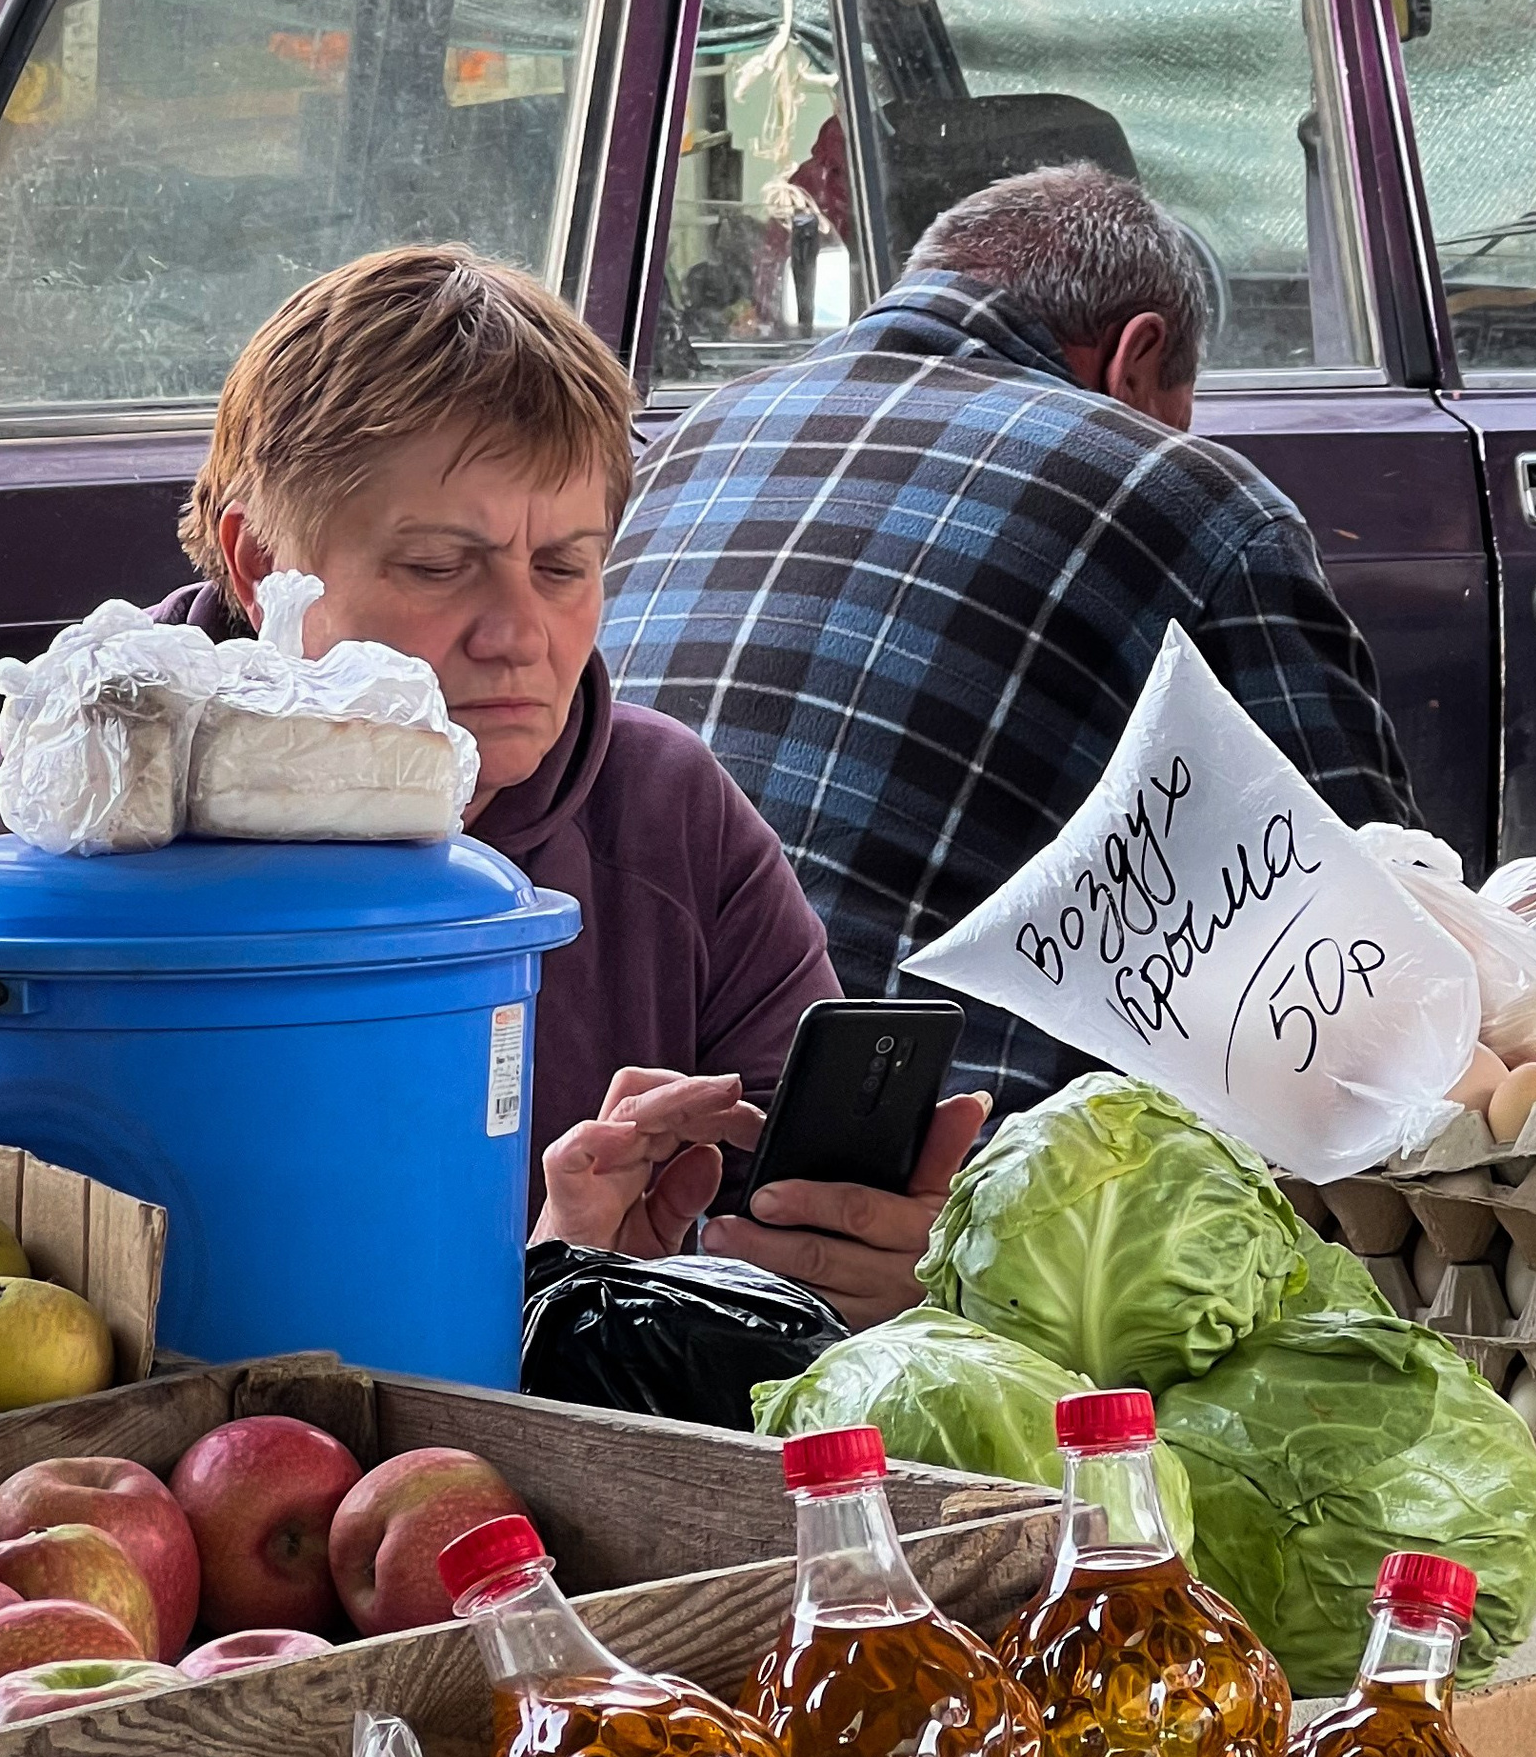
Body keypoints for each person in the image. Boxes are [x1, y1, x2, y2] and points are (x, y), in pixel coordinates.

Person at [0, 246, 981, 1321]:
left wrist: (865, 1263)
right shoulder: (53, 828)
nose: (519, 633)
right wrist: (545, 1290)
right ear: (257, 561)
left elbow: (792, 1219)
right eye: (438, 565)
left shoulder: (666, 810)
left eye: (565, 566)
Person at [599, 161, 1420, 1112]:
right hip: (902, 1180)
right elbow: (1380, 926)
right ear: (1136, 353)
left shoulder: (687, 441)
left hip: (605, 1153)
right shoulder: (1191, 495)